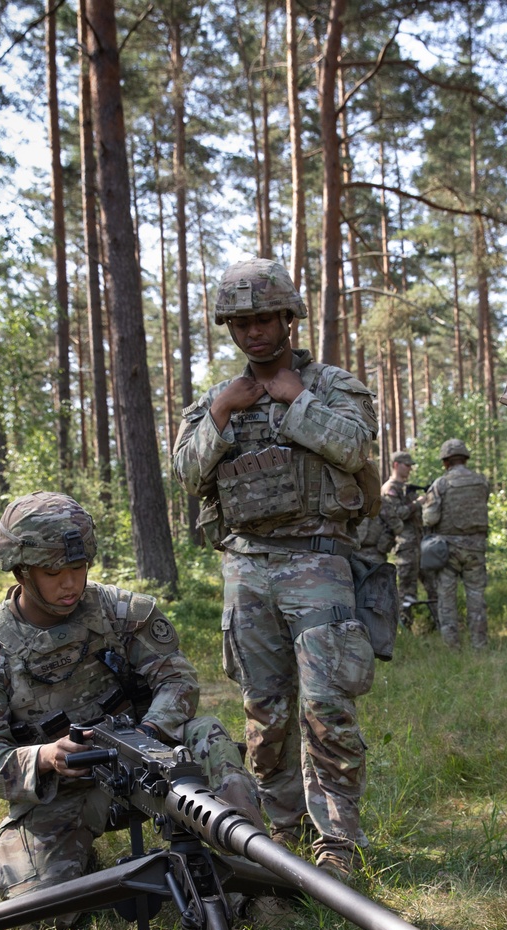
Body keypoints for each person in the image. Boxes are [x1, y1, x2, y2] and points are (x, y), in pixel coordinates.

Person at [0, 492, 263, 918]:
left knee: (206, 733)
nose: (70, 583)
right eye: (53, 571)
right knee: (49, 915)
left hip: (150, 767)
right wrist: (46, 757)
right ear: (21, 570)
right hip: (67, 791)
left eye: (78, 568)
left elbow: (176, 679)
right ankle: (77, 865)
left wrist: (148, 735)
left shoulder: (120, 613)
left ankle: (255, 878)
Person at [173, 257, 377, 880]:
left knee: (327, 705)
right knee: (265, 709)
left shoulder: (334, 386)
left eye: (264, 318)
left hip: (316, 560)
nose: (253, 332)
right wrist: (219, 414)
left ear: (289, 317)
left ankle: (337, 841)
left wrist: (299, 401)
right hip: (247, 566)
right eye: (239, 323)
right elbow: (184, 473)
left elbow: (359, 448)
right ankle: (279, 830)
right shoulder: (216, 401)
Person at [420, 439, 490, 649]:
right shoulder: (481, 481)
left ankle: (452, 647)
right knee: (476, 596)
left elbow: (430, 519)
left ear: (445, 461)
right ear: (465, 458)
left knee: (446, 599)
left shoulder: (440, 484)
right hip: (476, 549)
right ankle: (480, 645)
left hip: (448, 551)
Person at [382, 451, 435, 627]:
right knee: (406, 590)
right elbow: (396, 514)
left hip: (420, 544)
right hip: (405, 545)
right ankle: (405, 627)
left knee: (433, 586)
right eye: (407, 465)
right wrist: (417, 503)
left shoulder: (407, 488)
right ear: (396, 464)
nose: (410, 469)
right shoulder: (390, 489)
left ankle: (437, 624)